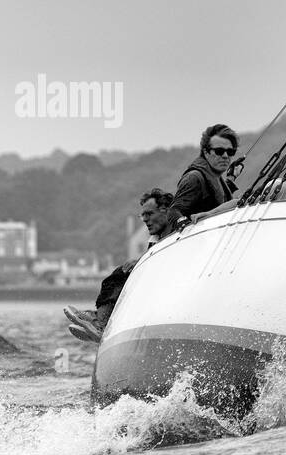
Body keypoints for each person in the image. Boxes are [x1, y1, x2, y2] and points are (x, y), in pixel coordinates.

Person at [64, 189, 175, 343]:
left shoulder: (179, 227)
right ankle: (103, 319)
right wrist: (139, 261)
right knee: (121, 272)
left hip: (171, 282)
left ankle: (101, 322)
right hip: (157, 284)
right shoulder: (155, 236)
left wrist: (140, 263)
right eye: (142, 215)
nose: (144, 219)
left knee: (121, 275)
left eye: (149, 214)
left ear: (165, 210)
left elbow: (169, 258)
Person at [169, 124, 239, 224]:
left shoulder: (215, 176)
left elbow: (213, 199)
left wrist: (231, 179)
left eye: (230, 152)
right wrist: (184, 224)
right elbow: (173, 211)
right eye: (219, 151)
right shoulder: (193, 178)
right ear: (206, 152)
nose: (225, 156)